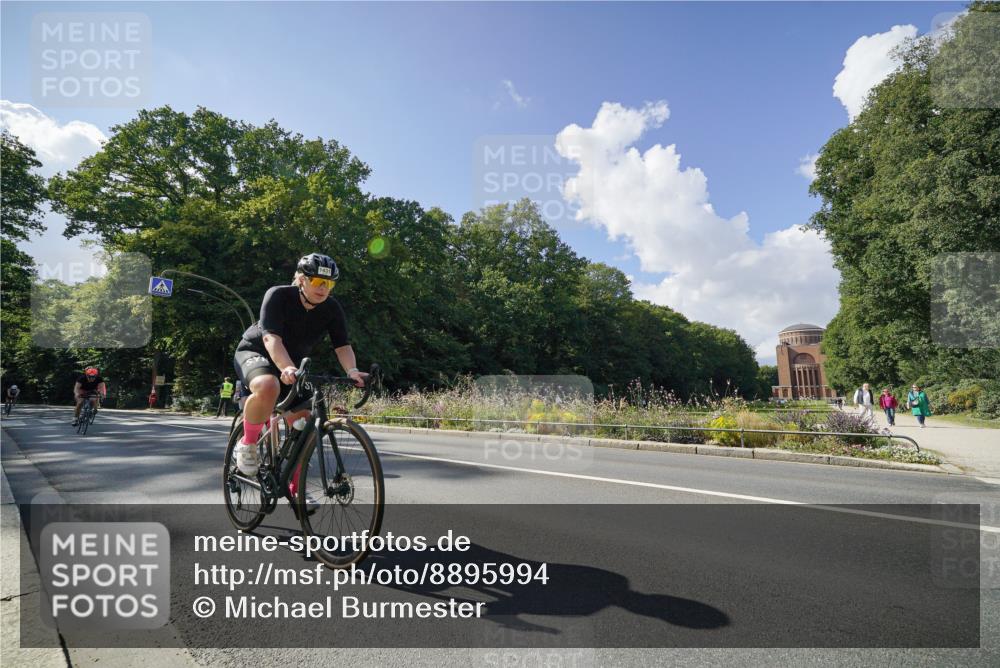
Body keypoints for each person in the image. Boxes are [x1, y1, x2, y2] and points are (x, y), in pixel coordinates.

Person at [232, 253, 365, 504]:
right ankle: (248, 443)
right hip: (258, 352)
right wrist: (286, 367)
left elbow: (342, 346)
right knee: (268, 385)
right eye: (318, 283)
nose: (324, 289)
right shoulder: (278, 295)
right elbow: (271, 338)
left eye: (330, 284)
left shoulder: (331, 308)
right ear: (301, 280)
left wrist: (352, 371)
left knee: (304, 420)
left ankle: (296, 485)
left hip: (293, 366)